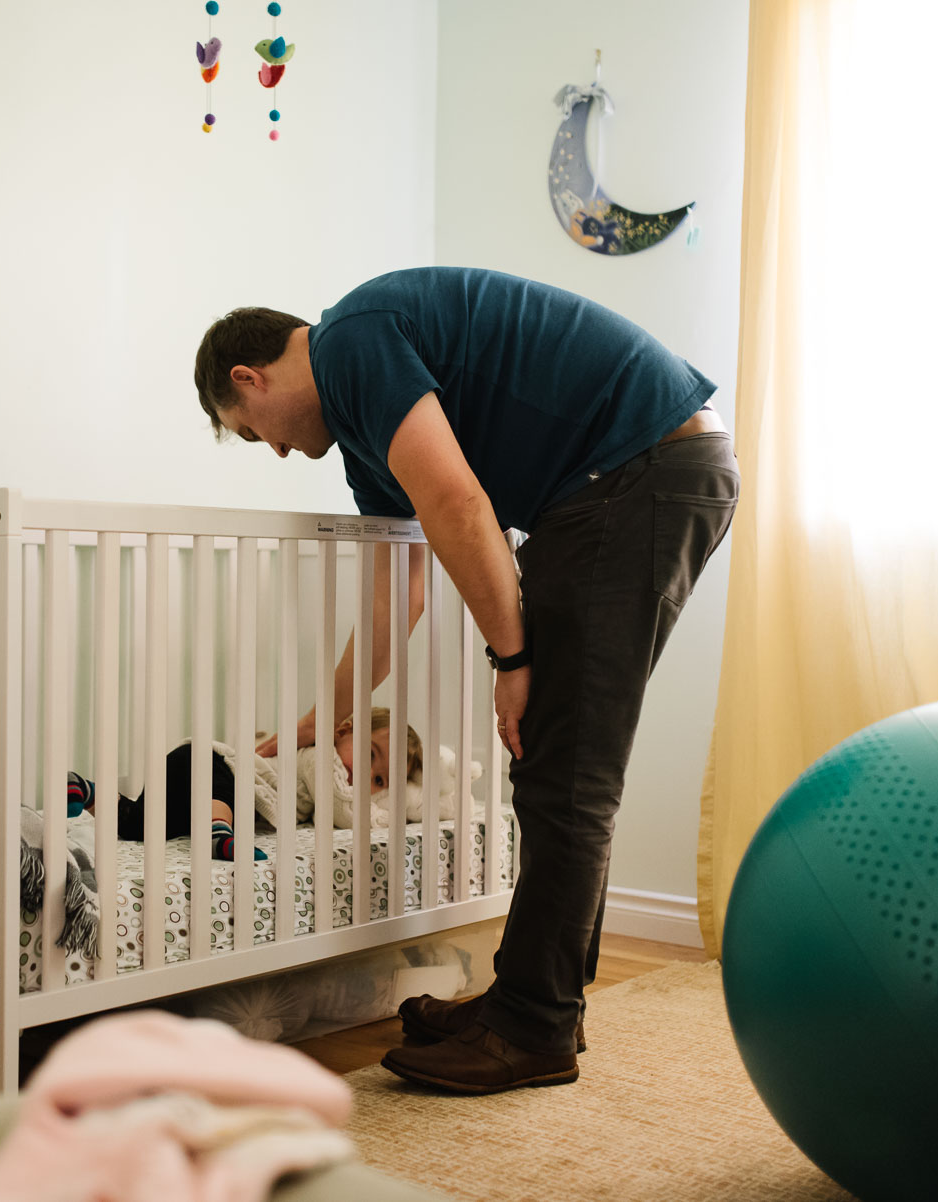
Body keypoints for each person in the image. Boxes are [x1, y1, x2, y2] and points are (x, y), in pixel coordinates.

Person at [193, 266, 738, 1094]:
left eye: (251, 428)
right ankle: (529, 999)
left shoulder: (352, 340)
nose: (273, 449)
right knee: (554, 762)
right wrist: (328, 714)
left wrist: (512, 661)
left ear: (250, 377)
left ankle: (534, 1027)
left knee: (567, 767)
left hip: (639, 468)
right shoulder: (367, 426)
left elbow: (458, 502)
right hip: (614, 480)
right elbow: (398, 591)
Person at [64, 708, 421, 862]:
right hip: (208, 765)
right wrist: (393, 814)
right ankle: (218, 835)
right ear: (342, 731)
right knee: (224, 791)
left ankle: (86, 791)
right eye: (368, 754)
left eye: (379, 781)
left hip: (193, 782)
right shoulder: (320, 757)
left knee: (137, 824)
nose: (363, 776)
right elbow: (342, 810)